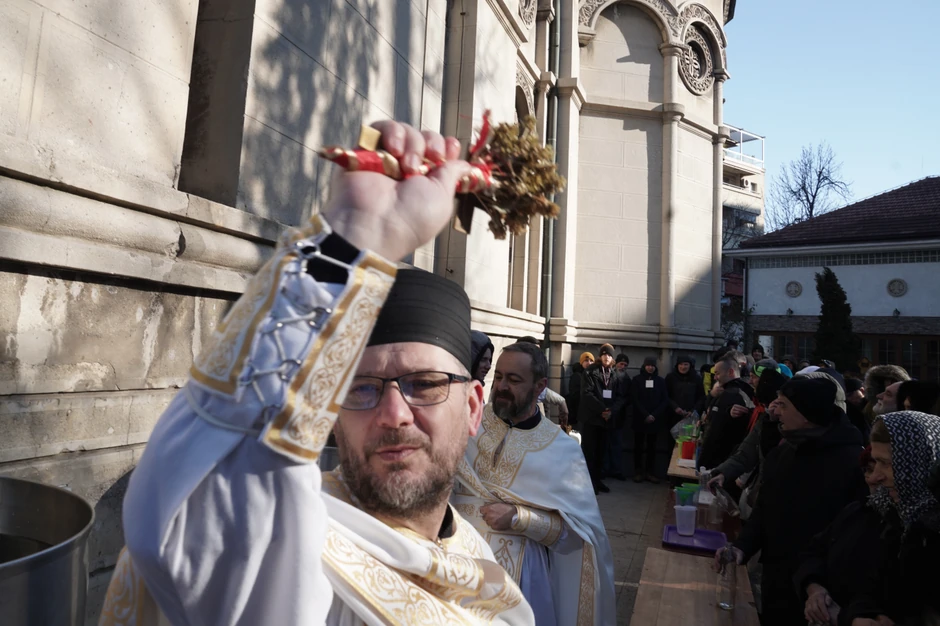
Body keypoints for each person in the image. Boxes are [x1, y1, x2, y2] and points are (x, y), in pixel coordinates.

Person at [98, 121, 534, 625]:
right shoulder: (290, 543)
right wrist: (352, 238)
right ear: (329, 410)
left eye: (425, 385)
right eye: (361, 388)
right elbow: (188, 516)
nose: (394, 413)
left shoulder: (481, 565)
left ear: (474, 407)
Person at [453, 342, 616, 626]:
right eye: (498, 376)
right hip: (456, 566)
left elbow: (577, 537)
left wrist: (520, 518)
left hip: (522, 578)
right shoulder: (466, 423)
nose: (502, 386)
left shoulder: (561, 450)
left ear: (540, 386)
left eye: (514, 380)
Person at [717, 377, 867, 626]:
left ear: (806, 413)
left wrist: (817, 583)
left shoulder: (852, 462)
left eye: (784, 405)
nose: (776, 412)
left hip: (821, 597)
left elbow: (852, 536)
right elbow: (764, 509)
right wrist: (741, 547)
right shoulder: (784, 451)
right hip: (776, 577)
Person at [843, 412, 940, 626]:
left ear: (921, 462)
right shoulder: (893, 514)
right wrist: (864, 614)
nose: (876, 475)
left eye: (886, 463)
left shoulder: (929, 526)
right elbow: (873, 586)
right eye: (876, 462)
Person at [793, 446, 893, 626]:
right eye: (869, 470)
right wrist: (815, 589)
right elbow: (814, 552)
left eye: (885, 468)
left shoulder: (914, 534)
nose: (872, 479)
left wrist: (844, 616)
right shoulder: (856, 511)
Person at [707, 366, 787, 518]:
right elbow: (747, 451)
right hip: (753, 496)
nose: (750, 381)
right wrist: (723, 472)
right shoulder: (764, 415)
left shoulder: (790, 431)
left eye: (755, 377)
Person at [580, 344, 627, 494]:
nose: (607, 357)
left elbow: (620, 396)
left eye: (610, 355)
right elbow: (587, 394)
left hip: (607, 419)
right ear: (600, 356)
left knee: (602, 452)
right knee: (590, 452)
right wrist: (602, 409)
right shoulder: (590, 372)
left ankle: (598, 480)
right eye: (604, 354)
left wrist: (611, 411)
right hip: (592, 418)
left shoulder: (614, 374)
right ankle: (589, 483)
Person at [697, 356, 755, 473]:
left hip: (724, 462)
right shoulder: (722, 392)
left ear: (730, 372)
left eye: (717, 373)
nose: (715, 377)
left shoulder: (741, 393)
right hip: (712, 461)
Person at [631, 357, 668, 483]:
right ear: (644, 366)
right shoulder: (637, 380)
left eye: (652, 365)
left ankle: (650, 472)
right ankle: (638, 472)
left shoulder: (660, 381)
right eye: (648, 365)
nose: (650, 367)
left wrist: (654, 415)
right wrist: (645, 414)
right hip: (640, 418)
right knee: (638, 446)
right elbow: (635, 399)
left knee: (652, 447)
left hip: (655, 419)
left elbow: (664, 400)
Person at [603, 355, 632, 481]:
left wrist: (617, 408)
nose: (623, 367)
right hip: (606, 415)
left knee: (617, 444)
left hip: (619, 416)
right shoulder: (608, 376)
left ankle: (616, 470)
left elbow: (628, 398)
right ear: (616, 364)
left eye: (625, 365)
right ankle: (604, 469)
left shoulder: (627, 380)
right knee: (605, 444)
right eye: (621, 364)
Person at [665, 355, 705, 427]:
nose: (683, 367)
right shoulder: (670, 377)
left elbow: (701, 397)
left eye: (686, 364)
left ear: (690, 365)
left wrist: (693, 411)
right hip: (673, 415)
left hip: (691, 416)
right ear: (677, 365)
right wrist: (675, 407)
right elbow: (665, 395)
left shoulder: (696, 378)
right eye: (681, 364)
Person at [566, 352, 594, 428]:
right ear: (581, 362)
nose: (589, 363)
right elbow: (575, 396)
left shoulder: (592, 375)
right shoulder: (577, 376)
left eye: (591, 361)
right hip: (579, 414)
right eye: (586, 360)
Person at [845, 378, 871, 444]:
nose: (849, 399)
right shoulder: (849, 411)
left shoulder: (873, 407)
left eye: (850, 395)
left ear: (862, 391)